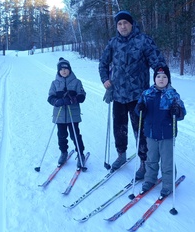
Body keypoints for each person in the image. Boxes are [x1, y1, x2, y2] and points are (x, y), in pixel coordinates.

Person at [99, 10, 168, 180]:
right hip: (118, 95)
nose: (122, 26)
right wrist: (105, 79)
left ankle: (144, 162)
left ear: (131, 24)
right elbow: (103, 63)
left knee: (141, 130)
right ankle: (121, 154)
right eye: (119, 24)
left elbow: (158, 64)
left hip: (139, 96)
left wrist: (162, 83)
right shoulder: (113, 43)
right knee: (119, 128)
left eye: (125, 23)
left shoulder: (143, 41)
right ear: (117, 26)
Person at [135, 67, 186, 196]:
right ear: (154, 79)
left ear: (168, 79)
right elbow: (139, 111)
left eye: (164, 77)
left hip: (166, 134)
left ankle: (168, 184)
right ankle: (150, 179)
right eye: (158, 77)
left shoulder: (173, 95)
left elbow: (182, 113)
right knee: (151, 158)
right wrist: (140, 108)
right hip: (151, 133)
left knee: (167, 160)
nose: (161, 79)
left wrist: (177, 111)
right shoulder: (147, 94)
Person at [47, 57, 87, 168]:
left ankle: (80, 154)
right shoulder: (55, 83)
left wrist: (74, 99)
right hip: (60, 115)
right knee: (61, 135)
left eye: (66, 68)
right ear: (58, 71)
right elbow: (50, 97)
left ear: (70, 69)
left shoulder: (76, 82)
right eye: (61, 69)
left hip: (72, 115)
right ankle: (63, 152)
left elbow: (82, 96)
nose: (64, 71)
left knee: (75, 135)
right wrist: (57, 101)